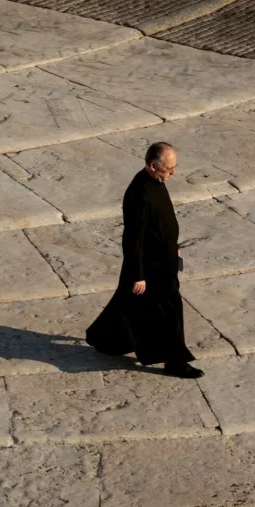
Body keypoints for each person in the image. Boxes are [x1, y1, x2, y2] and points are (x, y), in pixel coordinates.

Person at [85, 142, 204, 378]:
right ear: (152, 166)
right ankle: (175, 362)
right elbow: (133, 239)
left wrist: (174, 248)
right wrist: (137, 275)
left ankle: (102, 339)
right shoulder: (139, 193)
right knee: (170, 311)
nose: (173, 173)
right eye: (169, 169)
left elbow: (162, 223)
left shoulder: (156, 182)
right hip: (151, 267)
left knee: (128, 303)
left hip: (165, 259)